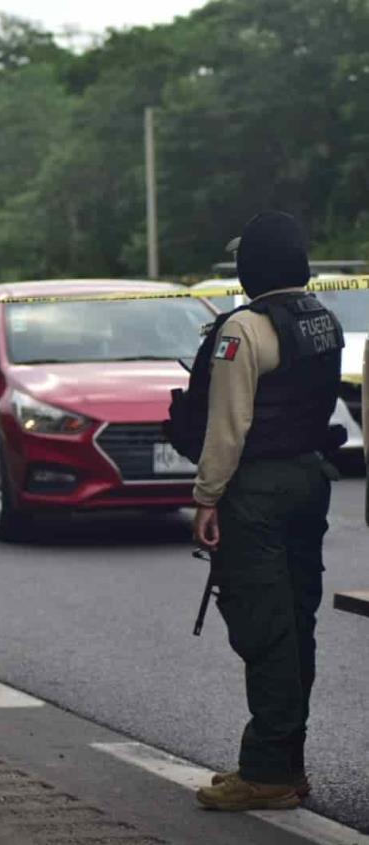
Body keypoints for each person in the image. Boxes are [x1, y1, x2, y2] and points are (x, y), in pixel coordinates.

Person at [187, 212, 343, 812]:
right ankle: (280, 763)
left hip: (256, 491)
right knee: (296, 623)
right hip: (311, 480)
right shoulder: (322, 319)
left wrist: (206, 498)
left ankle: (269, 774)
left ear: (253, 268)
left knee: (264, 626)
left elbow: (230, 427)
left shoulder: (244, 330)